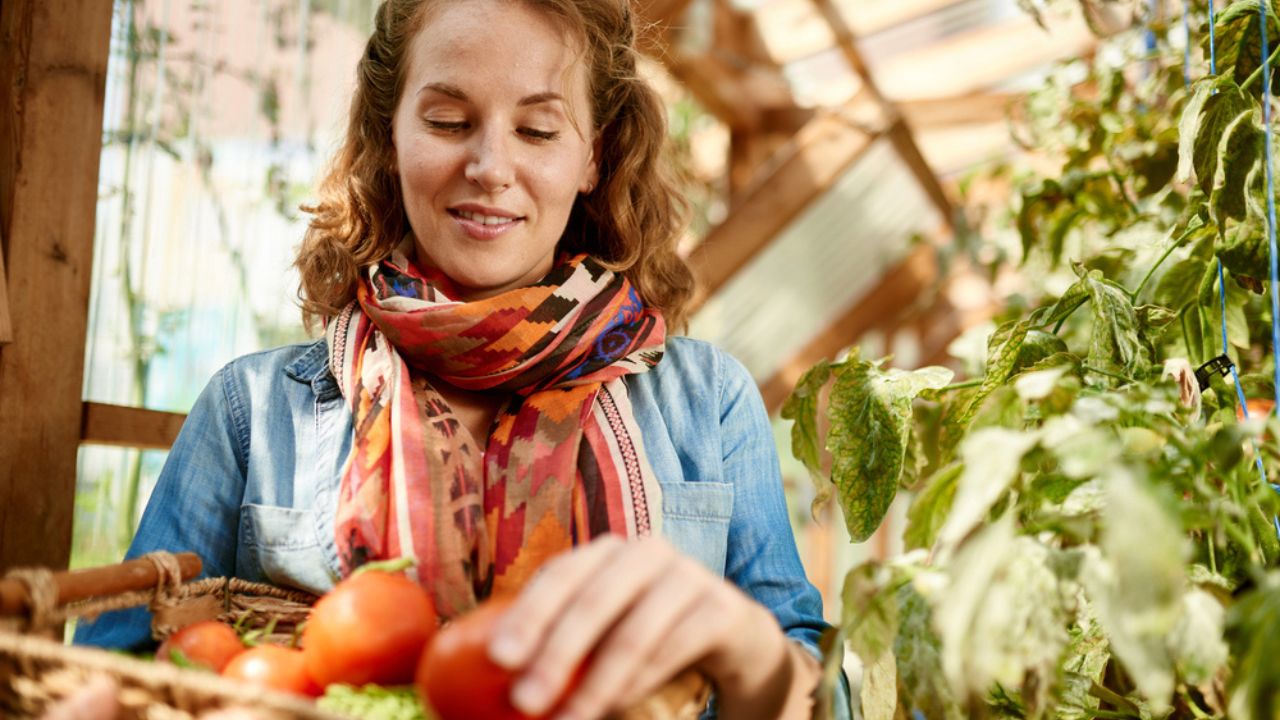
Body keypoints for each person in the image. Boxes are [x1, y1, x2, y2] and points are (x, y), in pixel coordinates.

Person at [77, 0, 850, 717]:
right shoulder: (253, 410)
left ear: (593, 157)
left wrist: (755, 657)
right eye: (449, 121)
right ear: (390, 137)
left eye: (538, 131)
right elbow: (116, 668)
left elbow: (823, 694)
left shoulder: (707, 400)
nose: (489, 165)